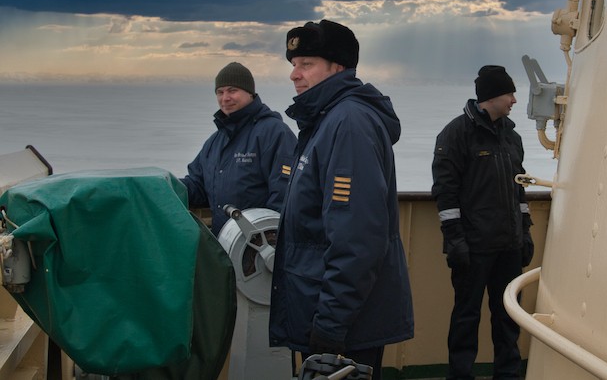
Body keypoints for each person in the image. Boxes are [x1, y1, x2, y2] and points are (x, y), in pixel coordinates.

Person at [269, 19, 414, 380]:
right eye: (293, 65)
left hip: (343, 324)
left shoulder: (347, 124)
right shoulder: (325, 120)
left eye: (306, 65)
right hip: (326, 311)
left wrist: (330, 327)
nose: (294, 75)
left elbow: (357, 238)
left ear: (338, 68)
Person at [431, 65, 535, 380]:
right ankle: (460, 375)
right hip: (474, 249)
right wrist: (456, 241)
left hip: (508, 247)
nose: (514, 100)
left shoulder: (512, 137)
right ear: (490, 97)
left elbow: (520, 188)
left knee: (508, 319)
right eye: (509, 93)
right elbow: (445, 194)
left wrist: (525, 233)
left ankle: (508, 375)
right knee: (466, 318)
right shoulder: (455, 134)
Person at [181, 61, 297, 235]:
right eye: (220, 92)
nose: (225, 98)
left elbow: (285, 195)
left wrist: (269, 240)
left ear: (250, 93)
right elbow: (198, 186)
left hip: (261, 247)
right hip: (227, 243)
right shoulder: (215, 141)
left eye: (232, 90)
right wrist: (164, 187)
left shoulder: (273, 133)